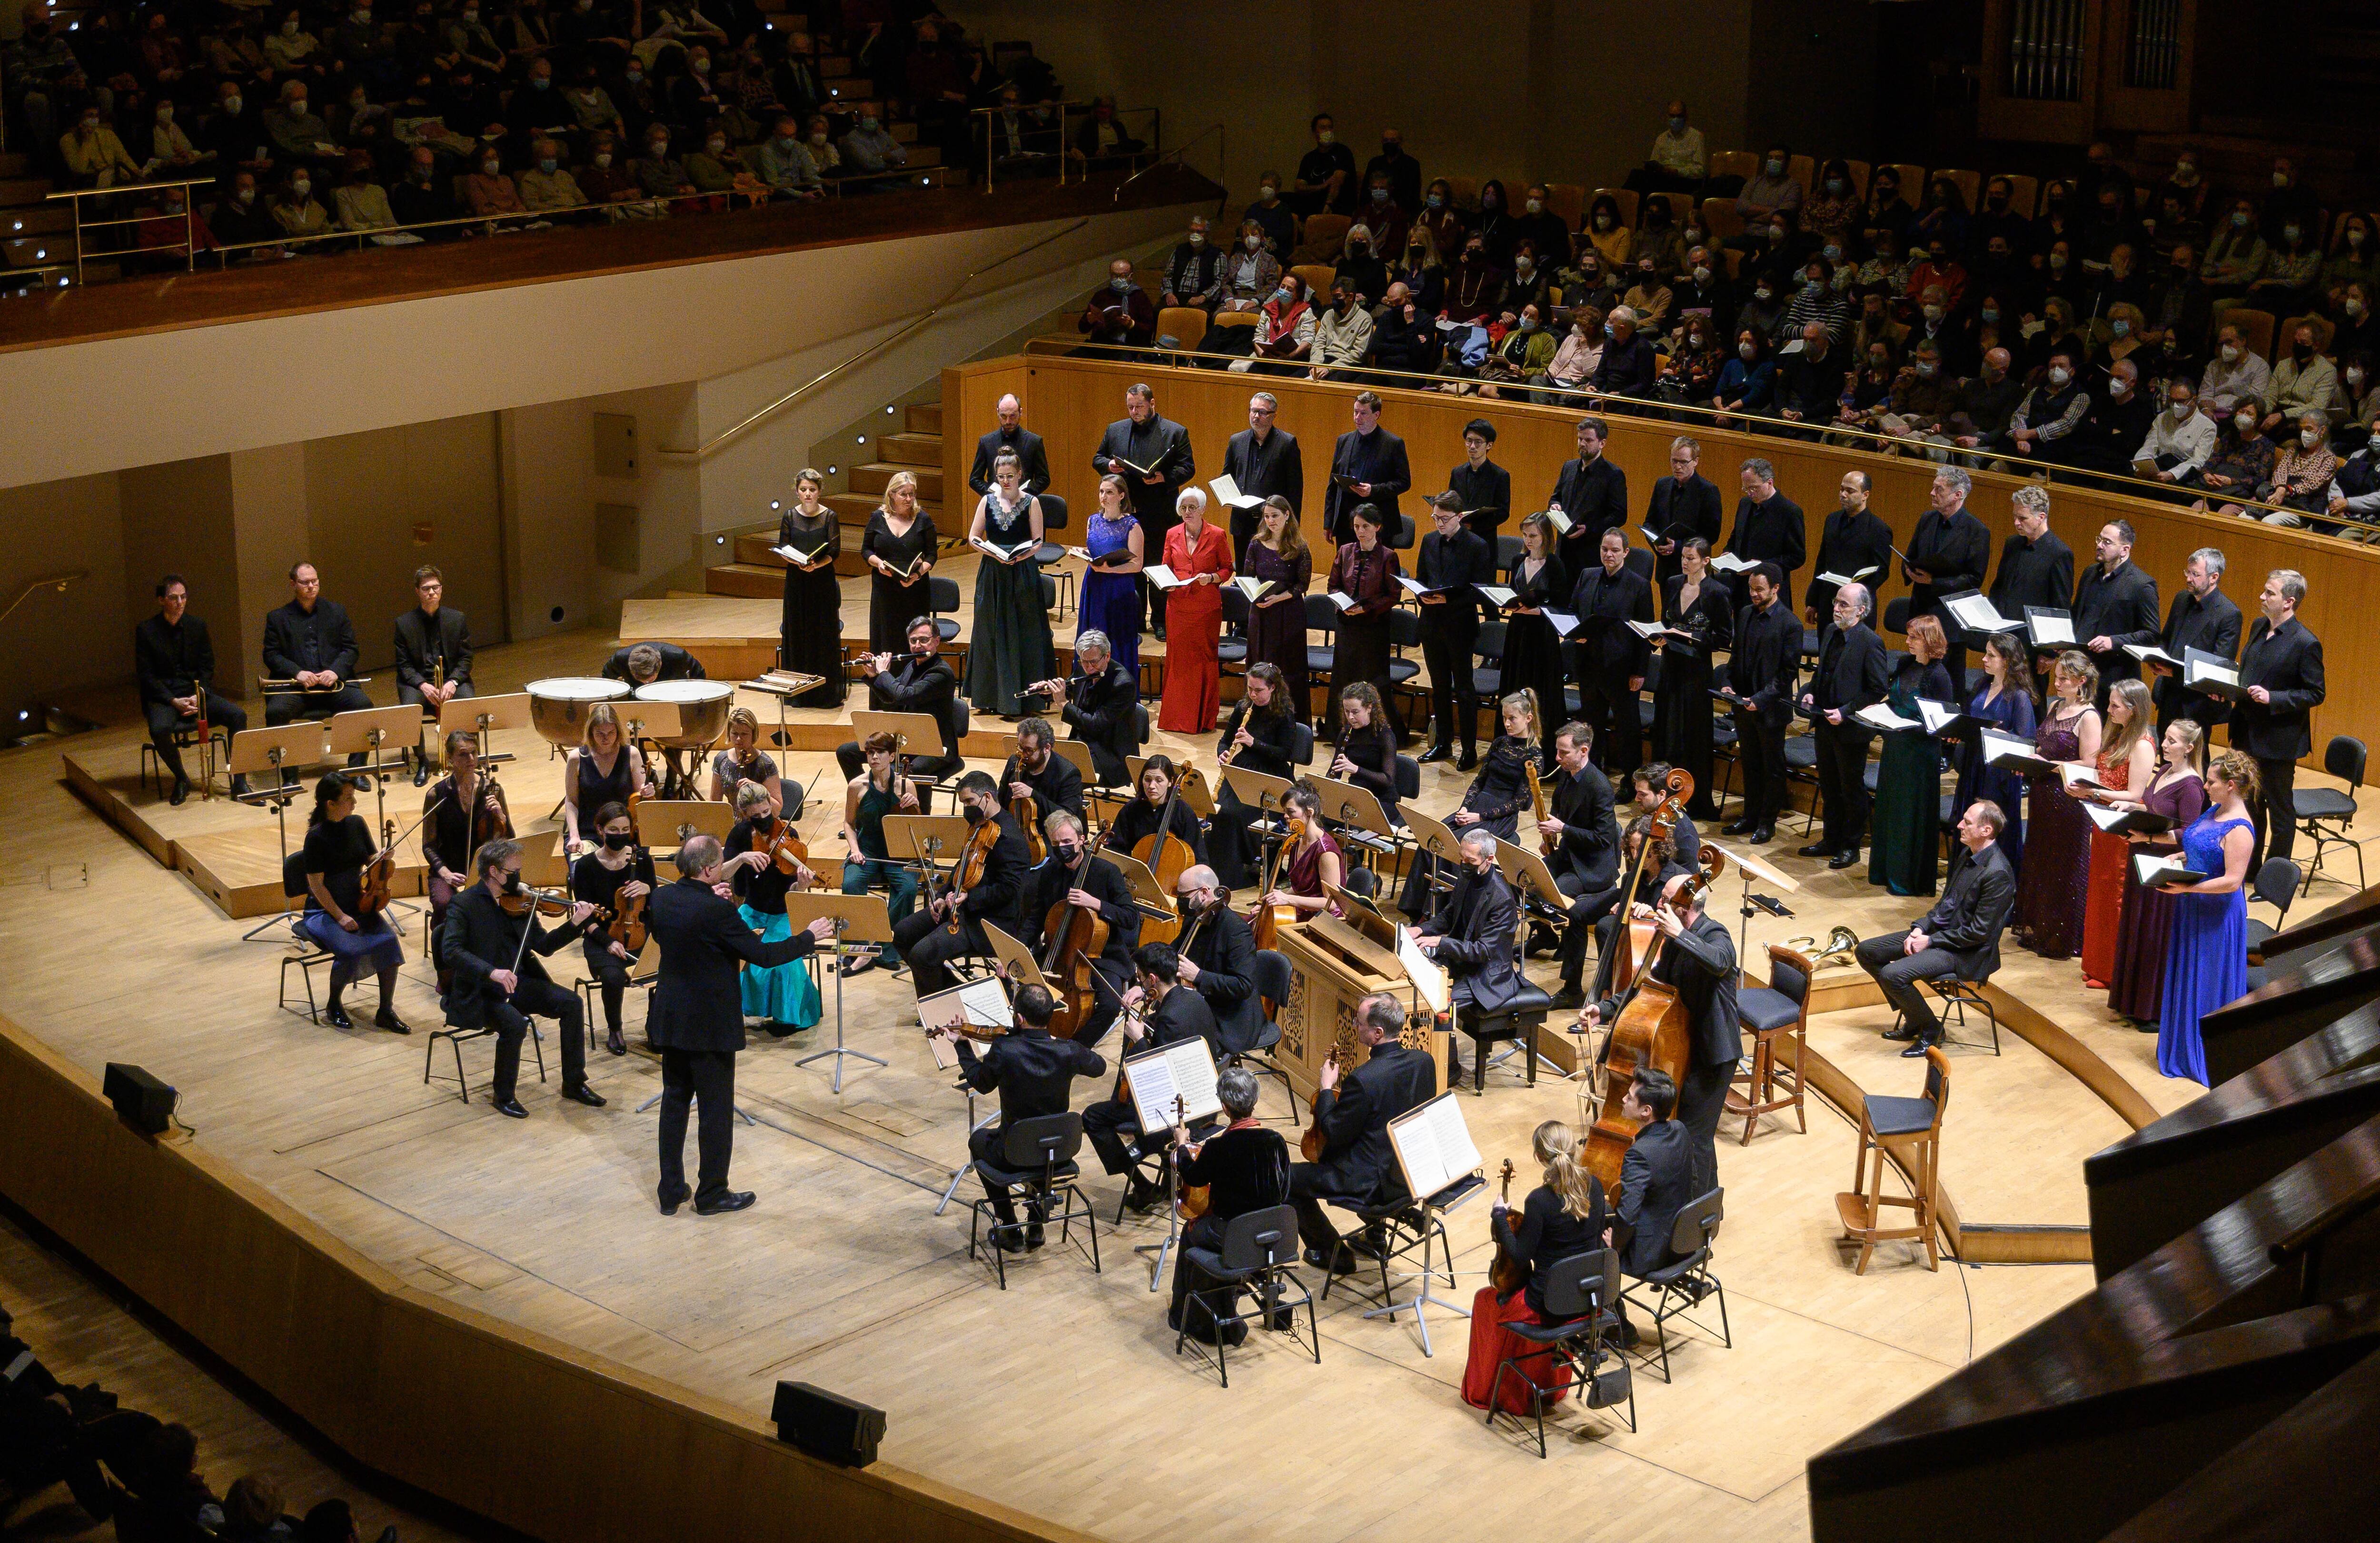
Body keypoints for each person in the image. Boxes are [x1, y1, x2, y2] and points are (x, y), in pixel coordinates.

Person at [648, 834, 831, 1214]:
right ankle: (712, 1193)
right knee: (715, 1110)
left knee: (675, 1102)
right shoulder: (718, 913)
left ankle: (670, 1190)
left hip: (671, 1018)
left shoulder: (661, 898)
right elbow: (763, 955)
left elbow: (692, 935)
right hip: (709, 1025)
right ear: (709, 869)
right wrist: (808, 937)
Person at [1579, 870, 1737, 1194]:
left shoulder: (1714, 933)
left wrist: (1680, 935)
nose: (1660, 903)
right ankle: (1709, 1205)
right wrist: (1606, 1009)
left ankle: (1694, 1218)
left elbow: (1721, 962)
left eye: (1666, 899)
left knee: (1696, 1135)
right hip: (1687, 1045)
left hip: (1716, 1053)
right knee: (1696, 1133)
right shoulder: (1673, 942)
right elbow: (1649, 988)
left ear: (1685, 906)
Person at [440, 836, 604, 1116]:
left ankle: (574, 1083)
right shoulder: (464, 904)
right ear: (494, 872)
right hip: (480, 991)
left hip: (518, 983)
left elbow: (544, 947)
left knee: (572, 1004)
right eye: (513, 872)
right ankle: (503, 1095)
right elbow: (451, 951)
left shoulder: (521, 903)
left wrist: (575, 924)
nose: (519, 877)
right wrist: (492, 972)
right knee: (515, 1024)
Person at [938, 982, 1105, 1250]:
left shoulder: (1006, 1049)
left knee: (978, 1141)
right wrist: (1064, 1046)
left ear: (1019, 1018)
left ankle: (1009, 1226)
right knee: (1040, 1142)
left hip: (1013, 1155)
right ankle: (1036, 1227)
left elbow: (981, 1083)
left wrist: (963, 1046)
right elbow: (1100, 1067)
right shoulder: (1068, 1051)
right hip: (1058, 1151)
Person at [1462, 1118, 1609, 1414]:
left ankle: (1501, 1392)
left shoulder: (1540, 1201)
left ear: (1540, 1158)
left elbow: (1519, 1255)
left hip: (1548, 1304)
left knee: (1486, 1302)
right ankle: (1548, 1382)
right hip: (1587, 1297)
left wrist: (1500, 1218)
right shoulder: (1594, 1186)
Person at [1288, 991, 1437, 1270]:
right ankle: (1376, 1236)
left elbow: (1334, 1132)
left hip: (1371, 1184)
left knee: (1288, 1179)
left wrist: (1326, 1088)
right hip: (1409, 1172)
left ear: (1378, 1033)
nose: (1355, 1026)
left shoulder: (1364, 1079)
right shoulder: (1424, 1062)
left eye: (1359, 1023)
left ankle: (1335, 1255)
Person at [1858, 801, 2018, 1056]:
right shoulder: (1968, 854)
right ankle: (1914, 1017)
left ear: (1986, 831)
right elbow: (1946, 905)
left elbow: (1979, 933)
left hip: (1967, 952)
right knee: (1867, 951)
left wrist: (1931, 941)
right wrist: (1921, 928)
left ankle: (1931, 1029)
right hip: (1943, 938)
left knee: (1893, 975)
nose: (1959, 825)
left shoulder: (1998, 873)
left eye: (1967, 822)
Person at [1081, 942, 1223, 1210]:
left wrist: (1138, 1039)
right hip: (1206, 1102)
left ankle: (1143, 1186)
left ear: (1153, 979)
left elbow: (1159, 1073)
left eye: (1140, 976)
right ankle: (1167, 1181)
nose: (1139, 980)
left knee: (1093, 1117)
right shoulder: (1194, 999)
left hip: (1175, 1115)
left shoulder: (1169, 1017)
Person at [1168, 1065, 1293, 1343]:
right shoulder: (1276, 1141)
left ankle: (1189, 1317)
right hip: (1273, 1235)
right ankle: (1228, 1297)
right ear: (1255, 1100)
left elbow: (1193, 1175)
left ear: (1225, 1107)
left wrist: (1182, 1146)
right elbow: (1285, 1190)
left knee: (1191, 1232)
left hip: (1233, 1236)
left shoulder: (1218, 1148)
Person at [2156, 752, 2259, 1085]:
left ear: (2230, 786)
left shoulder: (2241, 828)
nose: (2205, 786)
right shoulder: (2216, 810)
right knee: (2188, 973)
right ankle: (2181, 1049)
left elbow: (2232, 880)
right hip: (2194, 906)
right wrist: (2181, 854)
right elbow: (2203, 842)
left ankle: (2201, 1054)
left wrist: (2187, 888)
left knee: (2207, 980)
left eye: (2211, 782)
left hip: (2216, 916)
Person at [2104, 719, 2209, 1028]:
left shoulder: (2191, 786)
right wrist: (2133, 810)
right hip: (2142, 854)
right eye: (2165, 739)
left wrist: (2147, 838)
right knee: (2136, 926)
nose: (2164, 745)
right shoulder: (2163, 771)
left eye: (2173, 742)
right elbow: (2152, 807)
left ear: (2189, 748)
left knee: (2153, 934)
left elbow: (2189, 833)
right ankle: (2129, 1001)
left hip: (2164, 864)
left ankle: (2151, 1010)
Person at [892, 771, 1030, 997]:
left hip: (988, 922)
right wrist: (941, 895)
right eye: (963, 802)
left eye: (970, 801)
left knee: (922, 955)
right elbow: (962, 865)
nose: (967, 808)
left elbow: (1010, 890)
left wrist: (969, 898)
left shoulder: (1011, 839)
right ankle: (954, 993)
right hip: (959, 907)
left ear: (987, 797)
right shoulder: (978, 825)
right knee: (902, 933)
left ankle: (941, 1006)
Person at [1019, 809, 1140, 1048]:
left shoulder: (1107, 872)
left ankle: (1077, 1050)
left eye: (1067, 842)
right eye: (1056, 843)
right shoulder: (1051, 872)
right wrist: (1018, 948)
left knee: (1110, 1005)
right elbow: (1037, 917)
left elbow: (1130, 917)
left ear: (1082, 840)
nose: (1061, 847)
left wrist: (1095, 904)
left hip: (1102, 956)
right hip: (1060, 954)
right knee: (1027, 993)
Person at [2230, 568, 2324, 870]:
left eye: (2270, 593)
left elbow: (2315, 693)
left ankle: (2274, 874)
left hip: (2278, 740)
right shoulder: (2259, 626)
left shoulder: (2305, 642)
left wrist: (2275, 698)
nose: (2262, 596)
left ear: (2289, 602)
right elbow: (2249, 671)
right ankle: (2251, 867)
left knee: (2280, 811)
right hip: (2247, 730)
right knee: (2250, 804)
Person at [299, 773, 407, 1032]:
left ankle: (385, 1011)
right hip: (325, 909)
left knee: (390, 942)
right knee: (349, 951)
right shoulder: (315, 838)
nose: (354, 803)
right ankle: (334, 1004)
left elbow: (370, 860)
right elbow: (317, 886)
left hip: (358, 902)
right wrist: (340, 917)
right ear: (330, 804)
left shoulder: (357, 824)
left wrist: (382, 857)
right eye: (348, 798)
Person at [1416, 826, 1522, 1085]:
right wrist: (1419, 929)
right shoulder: (1467, 877)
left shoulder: (1502, 899)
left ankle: (1449, 1069)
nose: (1464, 864)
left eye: (1470, 861)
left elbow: (1483, 952)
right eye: (1462, 858)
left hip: (1484, 977)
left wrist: (1441, 942)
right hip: (1459, 962)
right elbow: (1450, 916)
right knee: (1413, 988)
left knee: (1437, 1006)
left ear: (1489, 860)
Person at [717, 784, 824, 1038]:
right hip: (752, 910)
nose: (765, 820)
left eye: (767, 812)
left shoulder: (789, 833)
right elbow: (720, 873)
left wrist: (803, 884)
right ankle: (728, 1011)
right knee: (726, 952)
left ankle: (789, 1017)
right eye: (757, 816)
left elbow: (794, 889)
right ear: (745, 813)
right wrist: (742, 857)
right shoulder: (740, 834)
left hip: (783, 912)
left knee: (782, 961)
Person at [134, 574, 250, 805]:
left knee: (238, 716)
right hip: (165, 698)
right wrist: (173, 700)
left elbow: (207, 667)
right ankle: (181, 779)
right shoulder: (146, 630)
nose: (180, 602)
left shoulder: (198, 626)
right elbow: (146, 675)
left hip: (196, 694)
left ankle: (240, 782)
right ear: (161, 600)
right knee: (159, 729)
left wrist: (199, 695)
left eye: (184, 597)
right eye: (173, 597)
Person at [2017, 653, 2102, 960]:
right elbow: (2043, 745)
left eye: (2065, 678)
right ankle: (2040, 927)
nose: (2058, 682)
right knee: (2042, 858)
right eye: (2057, 677)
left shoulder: (2089, 716)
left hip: (2067, 797)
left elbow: (2090, 763)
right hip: (2043, 793)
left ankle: (2062, 934)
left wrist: (2048, 765)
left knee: (2063, 864)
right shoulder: (2056, 706)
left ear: (2082, 681)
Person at [1092, 383, 1194, 633]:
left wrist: (1164, 478)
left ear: (1152, 404)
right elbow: (1098, 458)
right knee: (1131, 565)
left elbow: (1188, 467)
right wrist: (1109, 465)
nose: (1134, 411)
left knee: (1159, 565)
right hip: (1126, 513)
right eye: (1130, 407)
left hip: (1159, 511)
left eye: (1139, 406)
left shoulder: (1175, 432)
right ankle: (1135, 619)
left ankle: (1160, 620)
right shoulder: (1115, 430)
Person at [1868, 615, 1959, 896]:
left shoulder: (1939, 675)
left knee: (1910, 815)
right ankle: (1885, 871)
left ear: (1929, 642)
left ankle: (1906, 879)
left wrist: (1912, 726)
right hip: (1895, 749)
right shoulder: (1905, 664)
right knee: (1890, 810)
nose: (1907, 642)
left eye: (1914, 638)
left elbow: (1943, 724)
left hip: (1919, 755)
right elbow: (1894, 701)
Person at [1802, 582, 1888, 869]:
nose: (1836, 609)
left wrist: (1846, 711)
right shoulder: (1829, 632)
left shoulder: (1871, 642)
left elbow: (1877, 689)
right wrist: (1812, 691)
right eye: (1836, 603)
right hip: (1825, 722)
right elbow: (1822, 671)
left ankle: (1851, 846)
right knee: (1829, 784)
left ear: (1861, 611)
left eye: (1844, 605)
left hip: (1850, 728)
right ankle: (1831, 839)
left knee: (1851, 788)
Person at [965, 447, 1054, 720]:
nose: (1005, 481)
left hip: (1022, 573)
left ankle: (1025, 698)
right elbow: (973, 537)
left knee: (1024, 632)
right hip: (993, 573)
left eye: (1010, 476)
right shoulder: (987, 501)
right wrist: (992, 552)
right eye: (1001, 476)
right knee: (989, 631)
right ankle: (990, 696)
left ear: (1020, 475)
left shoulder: (1032, 502)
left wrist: (1020, 556)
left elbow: (1038, 540)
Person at [1409, 492, 1492, 766]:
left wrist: (1449, 599)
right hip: (1432, 624)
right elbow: (1422, 578)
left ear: (1460, 517)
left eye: (1444, 519)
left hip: (1460, 627)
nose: (1439, 523)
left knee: (1465, 689)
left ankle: (1469, 748)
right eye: (1435, 517)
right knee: (1440, 687)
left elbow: (1482, 593)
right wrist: (1422, 594)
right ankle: (1443, 743)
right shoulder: (1429, 540)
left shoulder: (1477, 546)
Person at [1719, 564, 1799, 844]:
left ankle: (1767, 822)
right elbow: (1735, 656)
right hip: (1743, 704)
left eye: (1759, 590)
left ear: (1776, 588)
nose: (1753, 594)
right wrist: (1728, 682)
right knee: (1750, 763)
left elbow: (1787, 674)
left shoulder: (1790, 624)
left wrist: (1760, 700)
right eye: (1751, 589)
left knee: (1772, 767)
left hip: (1770, 709)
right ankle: (1750, 816)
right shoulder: (1744, 614)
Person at [1653, 538, 1733, 817]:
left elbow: (1724, 637)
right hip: (1670, 666)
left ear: (1706, 561)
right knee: (1667, 731)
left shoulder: (1717, 592)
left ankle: (1693, 801)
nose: (1685, 563)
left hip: (1696, 672)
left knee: (1692, 735)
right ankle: (1663, 795)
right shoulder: (1673, 583)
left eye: (1691, 558)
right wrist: (1659, 636)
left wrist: (1692, 637)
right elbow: (1666, 621)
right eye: (1684, 558)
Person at [834, 616, 963, 784]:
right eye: (914, 640)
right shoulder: (912, 666)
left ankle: (907, 807)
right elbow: (892, 699)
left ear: (937, 641)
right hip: (908, 740)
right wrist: (874, 675)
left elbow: (904, 695)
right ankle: (867, 795)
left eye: (924, 640)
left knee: (906, 771)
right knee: (846, 752)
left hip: (936, 747)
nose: (918, 646)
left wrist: (884, 673)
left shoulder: (941, 673)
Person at [1568, 527, 1654, 779]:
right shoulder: (1588, 575)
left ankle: (1630, 780)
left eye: (1615, 550)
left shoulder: (1639, 585)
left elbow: (1644, 632)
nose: (1609, 555)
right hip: (1590, 665)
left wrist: (1640, 671)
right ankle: (1592, 774)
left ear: (1626, 552)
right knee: (1591, 725)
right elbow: (1574, 610)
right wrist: (1575, 632)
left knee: (1627, 728)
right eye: (1605, 549)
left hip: (1621, 669)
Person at [571, 801, 655, 1057]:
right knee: (613, 977)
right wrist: (609, 942)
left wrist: (649, 889)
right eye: (613, 829)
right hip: (603, 936)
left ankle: (657, 1028)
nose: (620, 835)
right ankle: (615, 1029)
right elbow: (586, 919)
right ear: (600, 830)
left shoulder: (641, 859)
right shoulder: (585, 867)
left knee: (664, 966)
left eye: (625, 829)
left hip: (640, 930)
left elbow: (654, 905)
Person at [1953, 633, 2040, 877]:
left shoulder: (2019, 696)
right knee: (1969, 825)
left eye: (1991, 655)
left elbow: (2026, 741)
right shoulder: (1983, 684)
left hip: (1998, 775)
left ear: (2008, 661)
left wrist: (1994, 734)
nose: (1984, 659)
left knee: (1989, 830)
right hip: (1974, 766)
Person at [1206, 665, 1299, 889]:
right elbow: (1225, 740)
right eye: (1250, 689)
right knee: (1218, 810)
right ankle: (1219, 871)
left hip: (1272, 776)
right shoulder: (1242, 708)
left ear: (1273, 688)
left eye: (1259, 690)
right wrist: (1223, 753)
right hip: (1243, 770)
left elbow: (1285, 753)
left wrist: (1253, 743)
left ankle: (1246, 866)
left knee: (1236, 814)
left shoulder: (1284, 714)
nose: (1253, 695)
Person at [837, 730, 921, 976]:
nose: (874, 757)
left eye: (880, 753)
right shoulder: (857, 786)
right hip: (867, 850)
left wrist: (914, 805)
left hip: (898, 853)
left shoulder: (906, 785)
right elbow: (849, 824)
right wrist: (854, 850)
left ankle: (888, 949)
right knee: (851, 884)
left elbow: (917, 825)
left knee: (907, 890)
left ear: (892, 756)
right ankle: (859, 947)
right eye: (870, 753)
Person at [262, 563, 372, 750]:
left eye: (315, 581)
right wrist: (298, 673)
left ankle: (358, 769)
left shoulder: (337, 612)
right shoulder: (278, 618)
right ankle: (289, 776)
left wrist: (335, 671)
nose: (311, 586)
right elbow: (271, 655)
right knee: (276, 712)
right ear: (293, 584)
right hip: (297, 688)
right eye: (305, 583)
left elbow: (351, 649)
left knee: (363, 705)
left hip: (332, 686)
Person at [1902, 467, 1992, 691]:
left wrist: (1934, 583)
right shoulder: (1927, 519)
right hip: (1921, 611)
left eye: (1939, 489)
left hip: (1950, 620)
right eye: (1933, 487)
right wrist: (1909, 571)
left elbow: (1974, 579)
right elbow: (1911, 555)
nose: (1932, 493)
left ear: (1957, 495)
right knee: (1917, 678)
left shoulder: (1977, 530)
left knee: (1948, 684)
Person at [1496, 511, 1570, 765]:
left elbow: (1563, 602)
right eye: (1525, 535)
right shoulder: (1518, 560)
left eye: (1534, 535)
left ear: (1546, 536)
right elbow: (1514, 593)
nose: (1529, 541)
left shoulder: (1556, 564)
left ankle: (1542, 755)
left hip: (1542, 635)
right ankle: (1511, 751)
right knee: (1515, 684)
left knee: (1539, 691)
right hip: (1518, 631)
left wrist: (1539, 610)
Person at [1159, 487, 1232, 732]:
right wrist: (1165, 582)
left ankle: (1201, 720)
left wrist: (1211, 578)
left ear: (1202, 509)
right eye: (1183, 508)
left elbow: (1227, 569)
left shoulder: (1218, 534)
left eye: (1192, 507)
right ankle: (1174, 719)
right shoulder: (1172, 534)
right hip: (1178, 606)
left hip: (1206, 608)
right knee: (1178, 660)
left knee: (1203, 660)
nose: (1187, 512)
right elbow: (1165, 566)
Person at [390, 564, 472, 785]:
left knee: (468, 702)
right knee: (411, 709)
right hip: (419, 682)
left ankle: (464, 757)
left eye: (436, 588)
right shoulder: (404, 624)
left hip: (450, 680)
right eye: (426, 589)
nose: (432, 593)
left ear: (442, 589)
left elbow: (466, 659)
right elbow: (404, 666)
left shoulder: (457, 619)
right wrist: (422, 685)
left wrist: (453, 682)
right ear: (417, 591)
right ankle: (423, 761)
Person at [1027, 629, 1139, 788]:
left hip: (1108, 756)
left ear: (1107, 656)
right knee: (1037, 766)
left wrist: (1063, 703)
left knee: (1063, 781)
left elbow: (1095, 725)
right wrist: (1050, 690)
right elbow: (1070, 688)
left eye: (1093, 662)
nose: (1089, 667)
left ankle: (1069, 812)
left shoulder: (1123, 685)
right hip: (1081, 745)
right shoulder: (1084, 667)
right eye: (1084, 661)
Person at [2151, 547, 2241, 737]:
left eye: (2195, 574)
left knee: (2194, 761)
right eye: (2188, 572)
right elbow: (2166, 639)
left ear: (2214, 577)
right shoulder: (2182, 599)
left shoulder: (2228, 613)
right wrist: (2155, 658)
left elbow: (2219, 667)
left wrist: (2173, 672)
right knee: (2166, 757)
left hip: (2196, 703)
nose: (2189, 579)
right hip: (2169, 695)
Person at [1328, 502, 1402, 726]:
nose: (1360, 532)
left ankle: (1377, 727)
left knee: (1372, 679)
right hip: (1347, 625)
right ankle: (1339, 727)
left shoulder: (1389, 556)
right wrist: (1342, 604)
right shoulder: (1345, 551)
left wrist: (1367, 608)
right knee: (1343, 676)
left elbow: (1393, 595)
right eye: (1357, 526)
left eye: (1365, 526)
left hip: (1373, 627)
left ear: (1378, 527)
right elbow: (1333, 585)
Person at [2072, 520, 2162, 704]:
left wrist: (2114, 641)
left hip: (2113, 678)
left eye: (2107, 542)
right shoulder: (2090, 573)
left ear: (2125, 550)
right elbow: (2076, 615)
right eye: (2099, 539)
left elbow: (2151, 634)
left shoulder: (2141, 584)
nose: (2099, 545)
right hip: (2080, 671)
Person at [774, 467, 843, 707]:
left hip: (822, 581)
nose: (808, 494)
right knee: (798, 631)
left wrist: (816, 565)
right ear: (797, 492)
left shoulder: (830, 516)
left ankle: (824, 694)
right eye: (803, 490)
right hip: (797, 582)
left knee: (822, 632)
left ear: (819, 492)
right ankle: (798, 693)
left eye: (812, 490)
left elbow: (834, 551)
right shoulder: (790, 516)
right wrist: (797, 561)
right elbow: (783, 546)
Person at [1240, 498, 1313, 724]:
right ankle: (1256, 719)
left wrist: (1279, 598)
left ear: (1287, 516)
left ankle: (1289, 721)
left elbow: (1303, 585)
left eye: (1275, 516)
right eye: (1267, 516)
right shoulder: (1256, 544)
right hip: (1261, 613)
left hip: (1288, 614)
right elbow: (1248, 577)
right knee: (1260, 663)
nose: (1270, 521)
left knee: (1287, 667)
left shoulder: (1299, 547)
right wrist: (1255, 595)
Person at [1072, 473, 1147, 675]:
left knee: (1116, 637)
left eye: (1110, 492)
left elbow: (1137, 564)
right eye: (1102, 491)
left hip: (1118, 588)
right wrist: (1082, 554)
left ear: (1122, 496)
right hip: (1094, 584)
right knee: (1092, 635)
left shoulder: (1132, 525)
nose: (1104, 496)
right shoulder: (1093, 521)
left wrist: (1111, 570)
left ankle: (1118, 686)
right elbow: (1095, 550)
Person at [1221, 393, 1305, 565]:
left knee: (1270, 573)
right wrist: (1225, 494)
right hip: (1242, 521)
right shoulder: (1236, 441)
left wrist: (1292, 525)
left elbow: (1295, 488)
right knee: (1244, 574)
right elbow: (1227, 476)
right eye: (1253, 411)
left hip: (1273, 524)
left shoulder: (1287, 443)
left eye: (1262, 412)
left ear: (1274, 415)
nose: (1256, 416)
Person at [562, 702, 654, 857]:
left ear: (618, 731)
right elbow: (571, 802)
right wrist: (575, 836)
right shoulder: (576, 758)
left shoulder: (632, 754)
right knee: (582, 869)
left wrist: (648, 791)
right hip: (589, 832)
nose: (606, 738)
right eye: (600, 733)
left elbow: (640, 797)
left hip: (624, 833)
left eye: (611, 732)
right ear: (591, 732)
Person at [861, 468, 936, 656]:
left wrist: (918, 574)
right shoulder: (877, 518)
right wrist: (878, 563)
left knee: (913, 639)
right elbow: (866, 550)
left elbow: (932, 555)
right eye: (904, 494)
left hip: (915, 590)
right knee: (885, 639)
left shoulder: (923, 519)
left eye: (912, 494)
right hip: (884, 590)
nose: (909, 499)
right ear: (892, 494)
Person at [1322, 391, 1410, 546]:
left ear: (1376, 415)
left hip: (1378, 522)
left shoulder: (1393, 444)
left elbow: (1404, 482)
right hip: (1346, 523)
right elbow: (1333, 484)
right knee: (1347, 568)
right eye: (1355, 412)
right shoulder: (1344, 441)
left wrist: (1374, 490)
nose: (1357, 418)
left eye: (1363, 413)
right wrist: (1329, 522)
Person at [1805, 470, 1893, 624]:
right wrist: (1812, 601)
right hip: (1828, 604)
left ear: (1865, 495)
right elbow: (1822, 562)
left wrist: (1855, 595)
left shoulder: (1879, 529)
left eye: (1850, 491)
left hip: (1858, 609)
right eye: (1842, 489)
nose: (1843, 495)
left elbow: (1881, 572)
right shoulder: (1832, 520)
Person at [1987, 485, 2074, 635]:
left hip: (2031, 640)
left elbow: (2060, 608)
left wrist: (2049, 652)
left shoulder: (2059, 553)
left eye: (2022, 518)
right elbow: (1999, 588)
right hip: (2002, 634)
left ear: (2041, 517)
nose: (2016, 523)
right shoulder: (2012, 544)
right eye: (2015, 516)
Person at [1721, 458, 1806, 609]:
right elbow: (1736, 537)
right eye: (1746, 488)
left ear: (1770, 483)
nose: (1749, 493)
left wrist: (1764, 566)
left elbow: (1796, 557)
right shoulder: (1745, 504)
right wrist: (1727, 553)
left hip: (1770, 592)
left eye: (1754, 488)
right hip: (1742, 589)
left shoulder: (1790, 512)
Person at [1546, 416, 1627, 571]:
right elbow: (1556, 497)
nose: (1582, 444)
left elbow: (1619, 515)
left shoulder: (1613, 474)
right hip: (1563, 549)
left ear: (1602, 443)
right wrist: (1555, 505)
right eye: (1580, 439)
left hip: (1590, 552)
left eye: (1588, 440)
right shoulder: (1569, 467)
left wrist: (1589, 529)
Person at [1646, 435, 1724, 594]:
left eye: (1683, 462)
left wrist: (1678, 547)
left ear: (1695, 461)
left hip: (1693, 571)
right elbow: (1650, 522)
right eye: (1674, 461)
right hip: (1665, 569)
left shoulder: (1708, 491)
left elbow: (1710, 535)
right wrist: (1656, 543)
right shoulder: (1662, 485)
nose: (1678, 467)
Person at [1329, 682, 1403, 827]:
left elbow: (1387, 780)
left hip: (1382, 801)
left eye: (1355, 712)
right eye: (1346, 711)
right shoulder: (1346, 734)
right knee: (1322, 816)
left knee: (1354, 823)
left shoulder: (1385, 736)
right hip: (1356, 797)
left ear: (1369, 708)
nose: (1350, 717)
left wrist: (1356, 769)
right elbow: (1334, 773)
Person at [1002, 716, 1086, 825]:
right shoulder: (1014, 762)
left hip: (1051, 836)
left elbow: (1068, 818)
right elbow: (1002, 800)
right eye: (1020, 747)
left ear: (1046, 748)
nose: (1023, 754)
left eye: (1029, 750)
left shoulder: (1068, 774)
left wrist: (1033, 794)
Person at [967, 394, 1050, 500]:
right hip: (996, 504)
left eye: (1013, 416)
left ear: (1020, 412)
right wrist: (994, 494)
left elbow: (1044, 479)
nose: (1008, 422)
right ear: (998, 412)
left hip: (1025, 505)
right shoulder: (986, 442)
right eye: (1004, 416)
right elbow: (974, 480)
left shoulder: (1034, 442)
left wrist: (1022, 494)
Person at [707, 707, 785, 813]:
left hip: (759, 823)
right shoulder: (721, 759)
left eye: (744, 734)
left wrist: (757, 790)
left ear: (753, 734)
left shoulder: (765, 764)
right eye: (735, 734)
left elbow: (777, 809)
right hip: (732, 824)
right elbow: (715, 803)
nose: (739, 739)